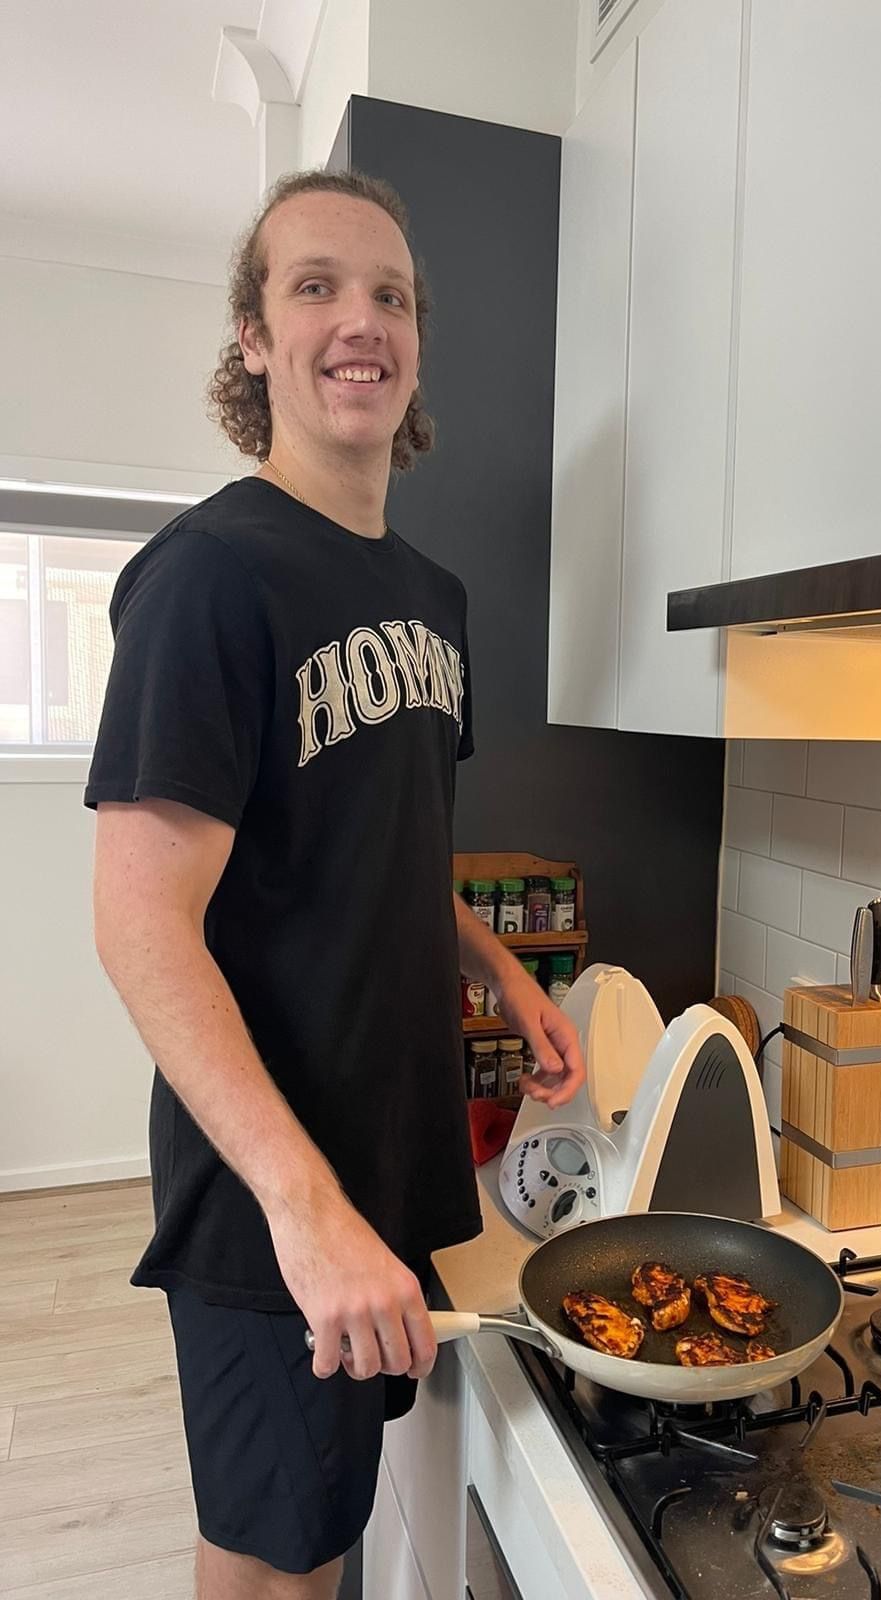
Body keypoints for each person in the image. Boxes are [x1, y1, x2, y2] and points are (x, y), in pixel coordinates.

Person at [84, 169, 584, 1600]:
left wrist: (504, 975)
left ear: (415, 341)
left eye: (391, 296)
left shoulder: (433, 598)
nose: (360, 321)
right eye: (316, 287)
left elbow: (379, 847)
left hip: (390, 1156)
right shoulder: (207, 578)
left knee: (328, 1531)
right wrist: (306, 1216)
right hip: (272, 1196)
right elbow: (139, 922)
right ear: (253, 338)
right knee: (277, 1560)